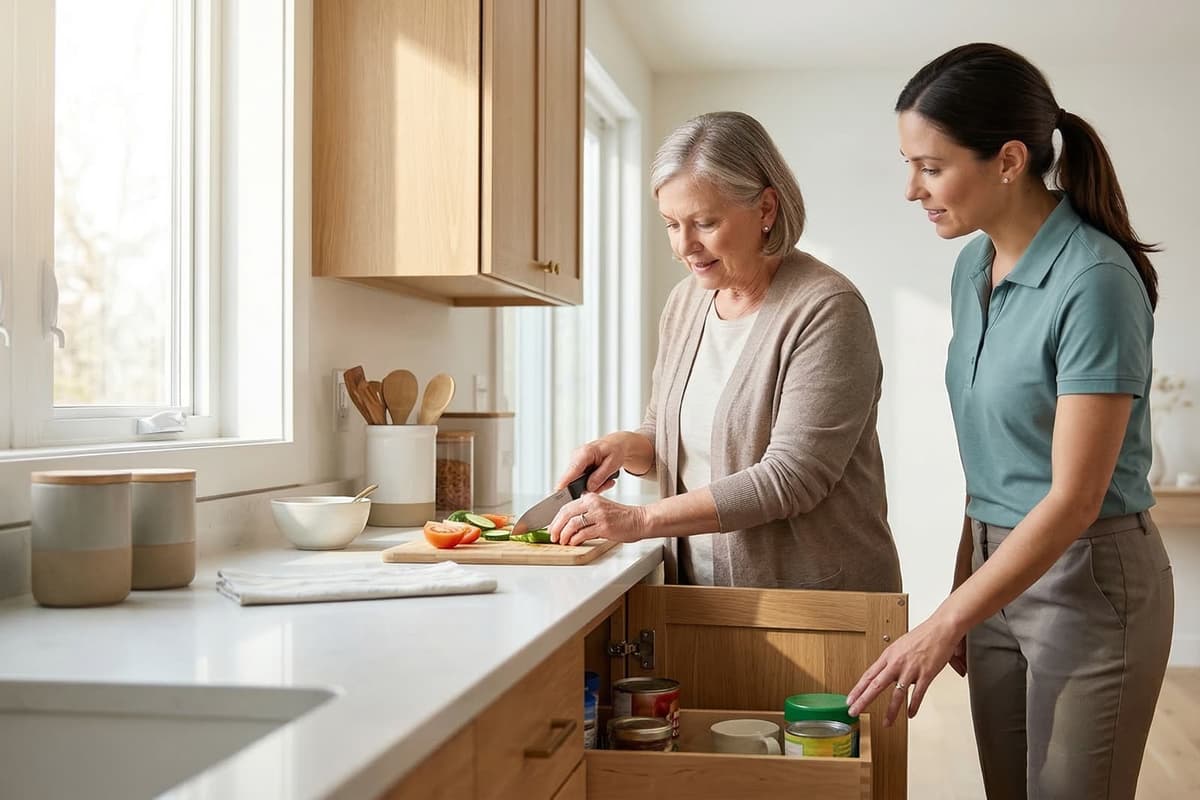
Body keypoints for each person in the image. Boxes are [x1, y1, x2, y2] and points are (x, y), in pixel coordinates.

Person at [846, 43, 1174, 800]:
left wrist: (943, 619)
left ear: (1009, 160)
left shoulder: (1094, 281)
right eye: (909, 163)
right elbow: (992, 451)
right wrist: (970, 579)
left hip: (1090, 580)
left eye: (930, 167)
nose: (911, 189)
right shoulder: (973, 267)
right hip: (999, 569)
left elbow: (1075, 497)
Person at [543, 110, 901, 592]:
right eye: (671, 224)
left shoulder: (827, 309)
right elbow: (669, 433)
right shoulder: (686, 302)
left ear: (766, 209)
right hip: (702, 595)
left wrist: (640, 520)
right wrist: (624, 448)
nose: (685, 246)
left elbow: (791, 478)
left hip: (817, 607)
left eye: (705, 223)